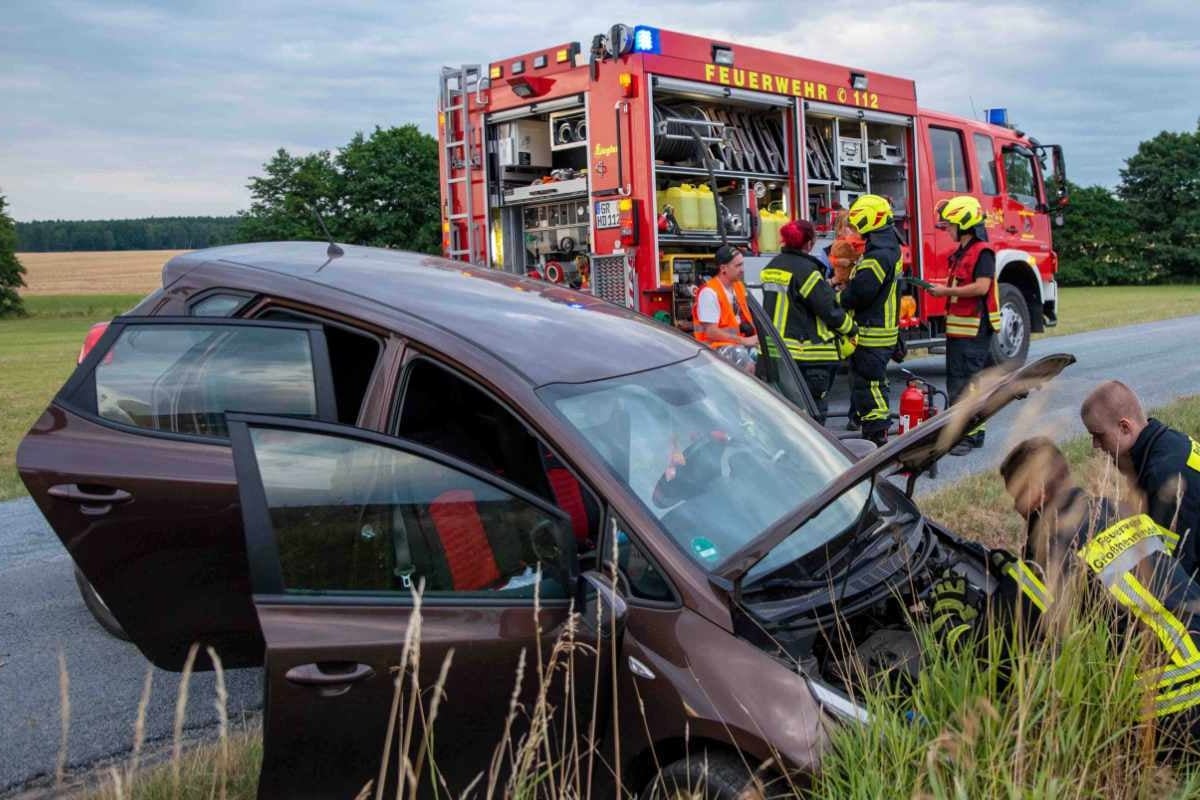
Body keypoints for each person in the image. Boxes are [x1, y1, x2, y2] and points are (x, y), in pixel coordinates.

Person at [932, 436, 1200, 744]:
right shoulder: (1123, 511)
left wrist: (949, 619)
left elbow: (988, 659)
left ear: (1036, 493)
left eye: (1016, 496)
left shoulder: (1048, 553)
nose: (1015, 507)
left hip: (1171, 704)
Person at [1081, 380, 1200, 576]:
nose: (1095, 445)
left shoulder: (1163, 476)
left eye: (1098, 435)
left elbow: (1172, 573)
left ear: (1125, 427)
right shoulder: (1170, 440)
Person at [759, 219, 858, 423]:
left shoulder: (771, 267)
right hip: (809, 356)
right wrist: (851, 328)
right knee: (812, 415)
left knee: (782, 414)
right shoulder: (807, 271)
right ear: (809, 243)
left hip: (774, 352)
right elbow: (828, 309)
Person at [926, 196, 1000, 456]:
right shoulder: (962, 253)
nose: (946, 229)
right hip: (959, 329)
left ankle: (971, 435)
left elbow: (982, 287)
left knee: (967, 383)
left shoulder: (983, 252)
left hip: (973, 330)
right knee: (957, 382)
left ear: (964, 223)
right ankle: (960, 432)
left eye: (949, 225)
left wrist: (943, 291)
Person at [836, 195, 903, 446]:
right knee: (873, 384)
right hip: (880, 330)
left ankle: (876, 437)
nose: (853, 230)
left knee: (869, 386)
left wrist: (839, 299)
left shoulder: (878, 255)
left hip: (872, 333)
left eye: (856, 224)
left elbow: (862, 292)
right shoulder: (887, 249)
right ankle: (875, 431)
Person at [692, 244, 758, 372]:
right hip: (713, 347)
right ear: (723, 268)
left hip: (735, 343)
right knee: (745, 362)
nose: (742, 269)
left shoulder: (738, 287)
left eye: (742, 264)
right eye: (738, 266)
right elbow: (711, 332)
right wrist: (744, 341)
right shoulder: (709, 293)